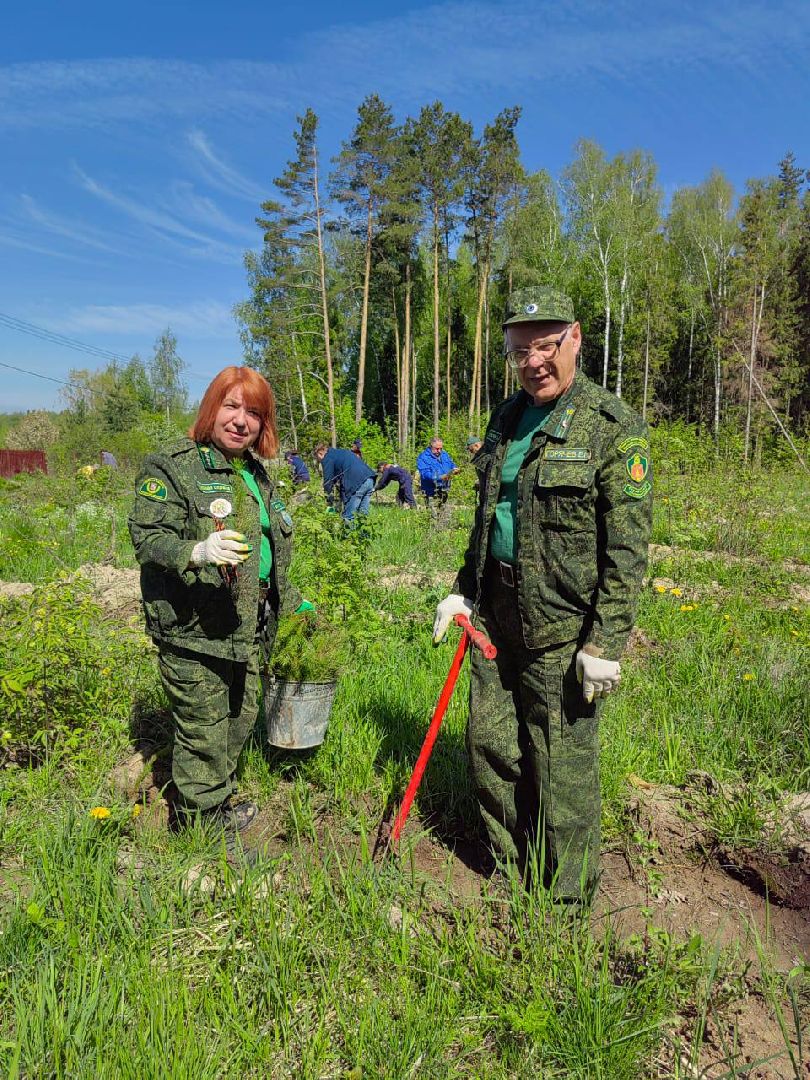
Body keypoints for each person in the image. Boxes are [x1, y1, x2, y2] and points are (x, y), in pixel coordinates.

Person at [432, 287, 652, 901]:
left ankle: (567, 900)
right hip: (495, 617)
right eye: (520, 351)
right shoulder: (504, 420)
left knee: (563, 767)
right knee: (490, 748)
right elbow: (488, 519)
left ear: (575, 338)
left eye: (546, 346)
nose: (534, 362)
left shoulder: (612, 427)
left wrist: (606, 641)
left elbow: (628, 550)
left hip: (564, 626)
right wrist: (461, 593)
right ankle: (510, 870)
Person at [128, 366, 307, 854]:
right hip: (194, 630)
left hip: (248, 627)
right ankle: (198, 828)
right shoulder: (173, 466)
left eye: (254, 412)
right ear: (212, 409)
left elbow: (270, 554)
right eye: (231, 407)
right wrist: (196, 551)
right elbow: (148, 538)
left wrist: (293, 602)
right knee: (204, 731)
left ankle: (217, 802)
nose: (240, 421)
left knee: (239, 718)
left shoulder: (258, 474)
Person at [314, 443, 376, 522]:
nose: (319, 461)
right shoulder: (341, 452)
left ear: (320, 453)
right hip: (369, 479)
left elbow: (328, 481)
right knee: (363, 515)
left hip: (356, 482)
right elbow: (337, 476)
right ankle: (364, 534)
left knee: (348, 517)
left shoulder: (327, 457)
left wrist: (328, 499)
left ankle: (348, 534)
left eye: (317, 458)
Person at [416, 438, 459, 508]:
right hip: (431, 491)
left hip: (444, 488)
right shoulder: (423, 457)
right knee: (433, 514)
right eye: (437, 449)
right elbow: (425, 474)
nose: (439, 451)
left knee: (444, 514)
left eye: (441, 448)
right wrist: (440, 477)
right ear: (430, 447)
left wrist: (455, 469)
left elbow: (451, 464)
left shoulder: (444, 454)